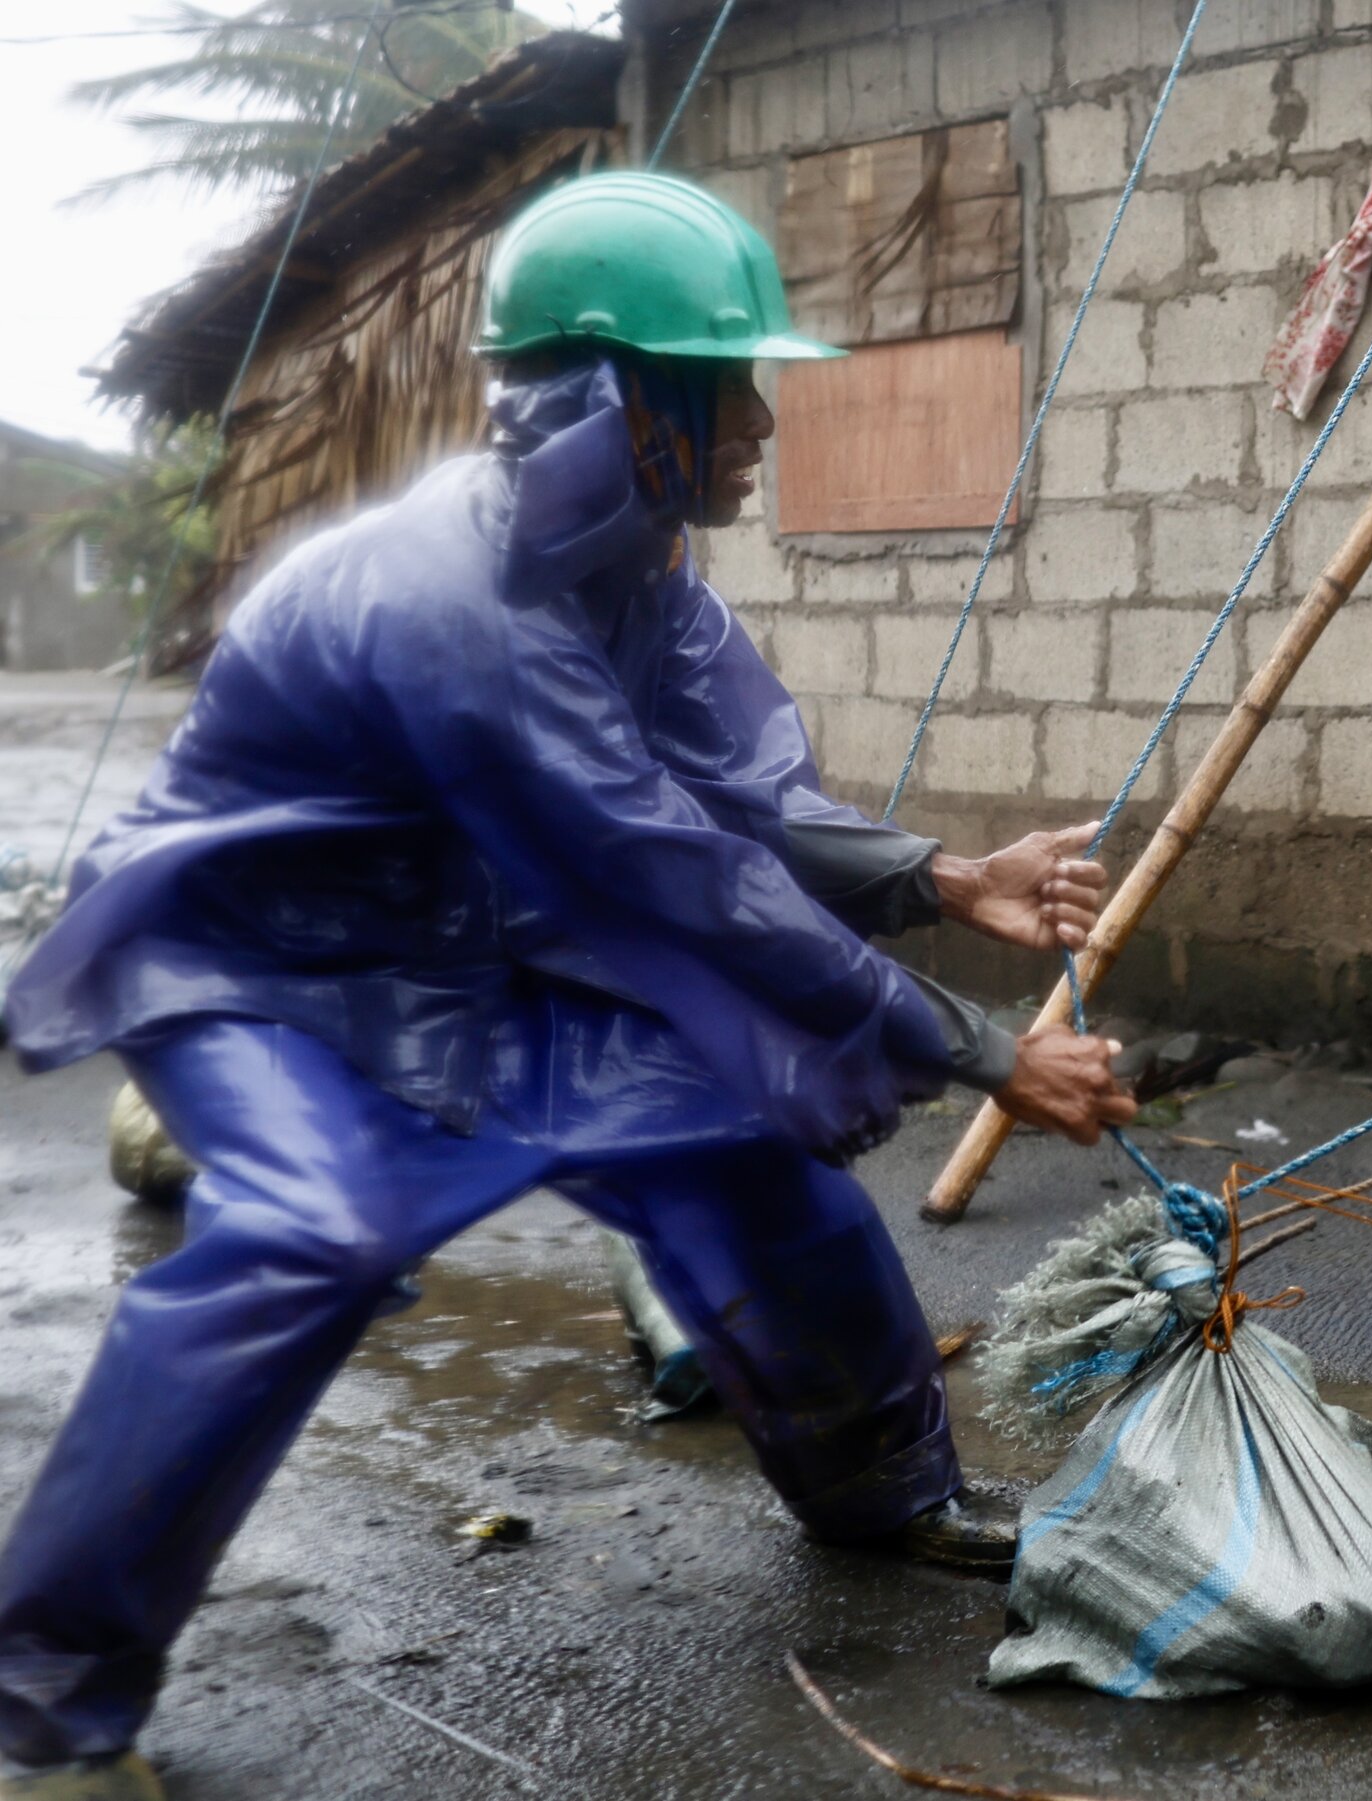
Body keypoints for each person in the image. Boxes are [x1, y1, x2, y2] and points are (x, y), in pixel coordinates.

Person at [0, 172, 1137, 1799]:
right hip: (271, 967)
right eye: (718, 383)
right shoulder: (450, 597)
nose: (757, 420)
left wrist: (943, 879)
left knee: (748, 1157)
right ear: (606, 400)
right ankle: (48, 1703)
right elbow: (669, 865)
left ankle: (884, 1493)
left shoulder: (640, 567)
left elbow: (738, 792)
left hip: (489, 950)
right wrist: (979, 1050)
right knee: (313, 1231)